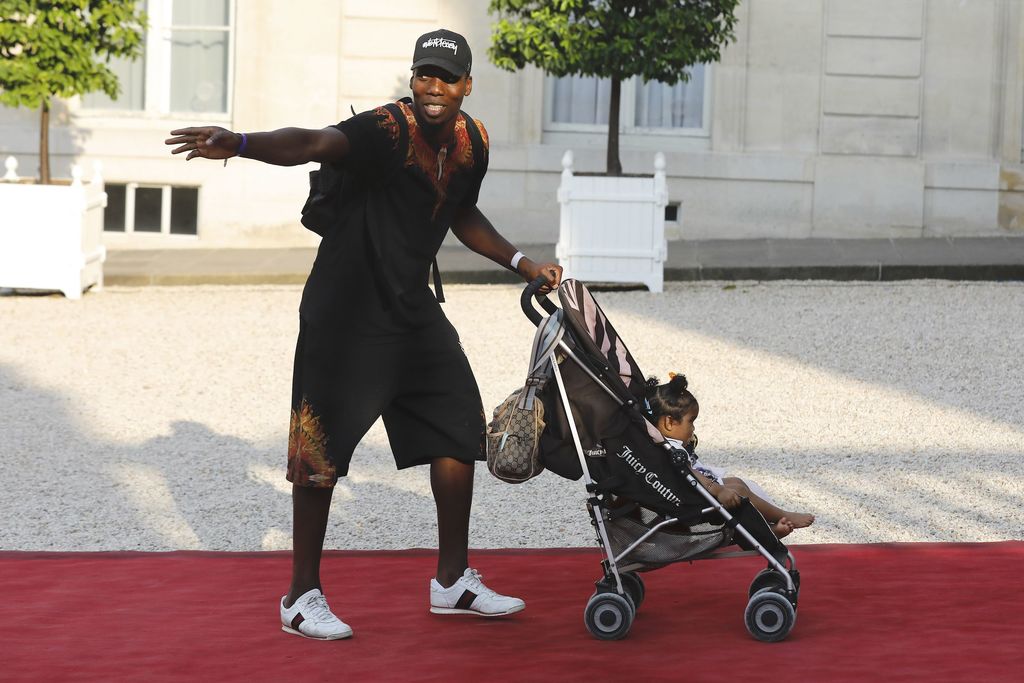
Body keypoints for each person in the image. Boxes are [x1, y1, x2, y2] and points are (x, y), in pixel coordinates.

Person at [165, 28, 562, 641]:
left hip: (411, 310)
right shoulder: (386, 129)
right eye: (424, 74)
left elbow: (460, 211)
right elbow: (312, 142)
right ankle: (301, 596)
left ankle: (452, 582)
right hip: (345, 314)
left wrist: (523, 264)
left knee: (457, 430)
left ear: (467, 85)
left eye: (447, 78)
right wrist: (240, 142)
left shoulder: (472, 141)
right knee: (318, 452)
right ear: (413, 78)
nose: (434, 87)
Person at [645, 374, 815, 538]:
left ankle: (767, 530)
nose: (693, 429)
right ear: (669, 423)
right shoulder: (671, 449)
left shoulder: (656, 443)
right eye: (691, 421)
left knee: (736, 483)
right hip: (689, 500)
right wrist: (719, 491)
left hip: (687, 493)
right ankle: (778, 520)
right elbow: (690, 474)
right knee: (738, 491)